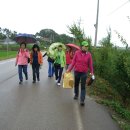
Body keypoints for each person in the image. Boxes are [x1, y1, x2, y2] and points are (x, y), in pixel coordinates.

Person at [67, 41, 94, 106]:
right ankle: (76, 94)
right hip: (77, 72)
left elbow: (90, 65)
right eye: (85, 46)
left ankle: (82, 100)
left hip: (84, 73)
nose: (86, 48)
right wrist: (69, 70)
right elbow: (73, 62)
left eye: (87, 46)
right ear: (81, 46)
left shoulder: (89, 55)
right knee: (76, 84)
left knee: (83, 87)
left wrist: (92, 72)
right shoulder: (77, 53)